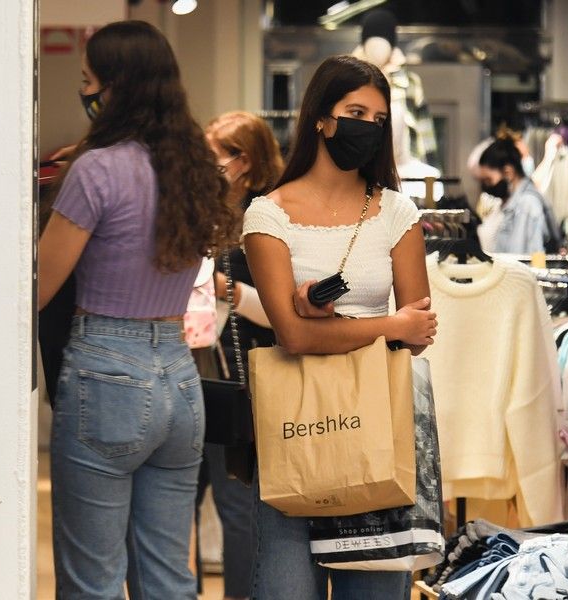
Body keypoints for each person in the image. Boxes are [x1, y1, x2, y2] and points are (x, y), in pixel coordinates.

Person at [37, 20, 240, 599]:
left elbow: (40, 286)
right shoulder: (195, 170)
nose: (84, 92)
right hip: (180, 377)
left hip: (105, 374)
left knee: (92, 580)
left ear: (116, 86)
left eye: (87, 79)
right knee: (168, 576)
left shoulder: (96, 170)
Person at [242, 55, 437, 599]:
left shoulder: (397, 212)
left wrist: (339, 320)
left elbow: (418, 329)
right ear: (321, 119)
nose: (368, 129)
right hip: (294, 430)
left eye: (378, 119)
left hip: (378, 429)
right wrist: (386, 323)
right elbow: (295, 336)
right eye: (356, 112)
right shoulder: (268, 214)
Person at [194, 111, 283, 600]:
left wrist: (229, 290)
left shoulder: (265, 219)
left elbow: (282, 313)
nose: (207, 165)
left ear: (244, 161)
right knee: (180, 502)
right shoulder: (198, 211)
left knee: (236, 505)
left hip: (240, 381)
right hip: (191, 372)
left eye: (215, 155)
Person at [477, 137, 561, 255]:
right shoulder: (514, 203)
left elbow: (520, 260)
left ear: (508, 172)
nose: (486, 187)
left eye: (489, 180)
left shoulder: (527, 204)